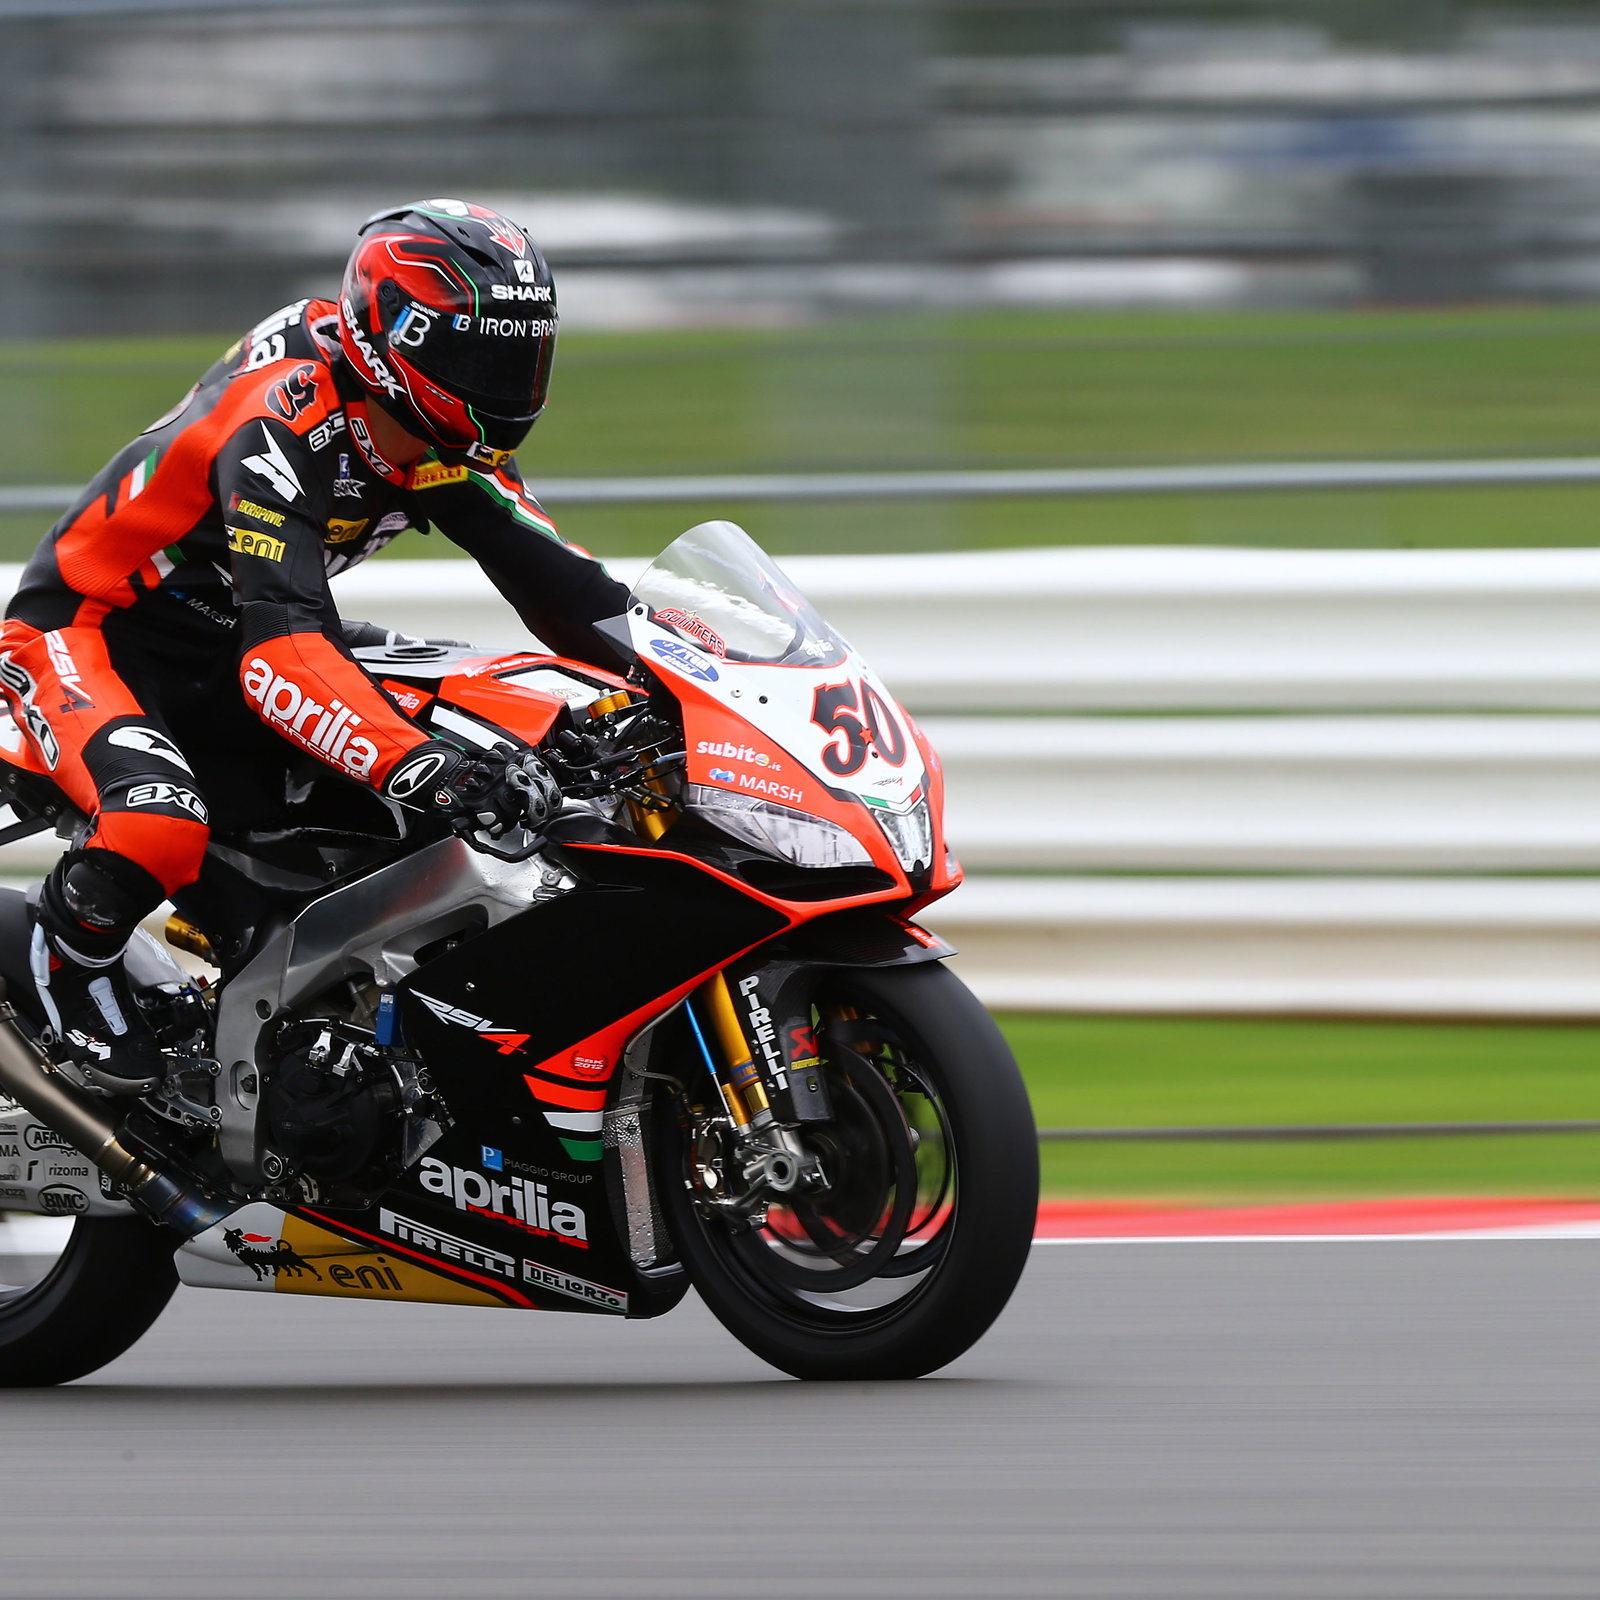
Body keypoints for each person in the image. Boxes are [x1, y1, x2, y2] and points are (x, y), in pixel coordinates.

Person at [0, 199, 629, 1091]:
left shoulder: (443, 439)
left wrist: (686, 689)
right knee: (158, 820)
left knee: (500, 697)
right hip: (86, 633)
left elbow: (570, 595)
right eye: (479, 352)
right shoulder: (286, 414)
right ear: (394, 337)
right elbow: (283, 653)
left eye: (522, 350)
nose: (505, 377)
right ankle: (61, 952)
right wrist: (425, 768)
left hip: (235, 637)